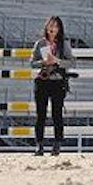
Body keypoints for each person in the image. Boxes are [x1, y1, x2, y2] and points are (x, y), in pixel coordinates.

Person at [30, 15, 76, 156]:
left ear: (59, 29)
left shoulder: (64, 44)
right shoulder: (40, 43)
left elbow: (71, 62)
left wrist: (56, 61)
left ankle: (57, 144)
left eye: (55, 26)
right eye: (50, 25)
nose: (52, 28)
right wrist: (43, 62)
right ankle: (39, 145)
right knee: (40, 115)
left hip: (57, 81)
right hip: (42, 81)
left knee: (57, 114)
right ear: (46, 27)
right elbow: (32, 62)